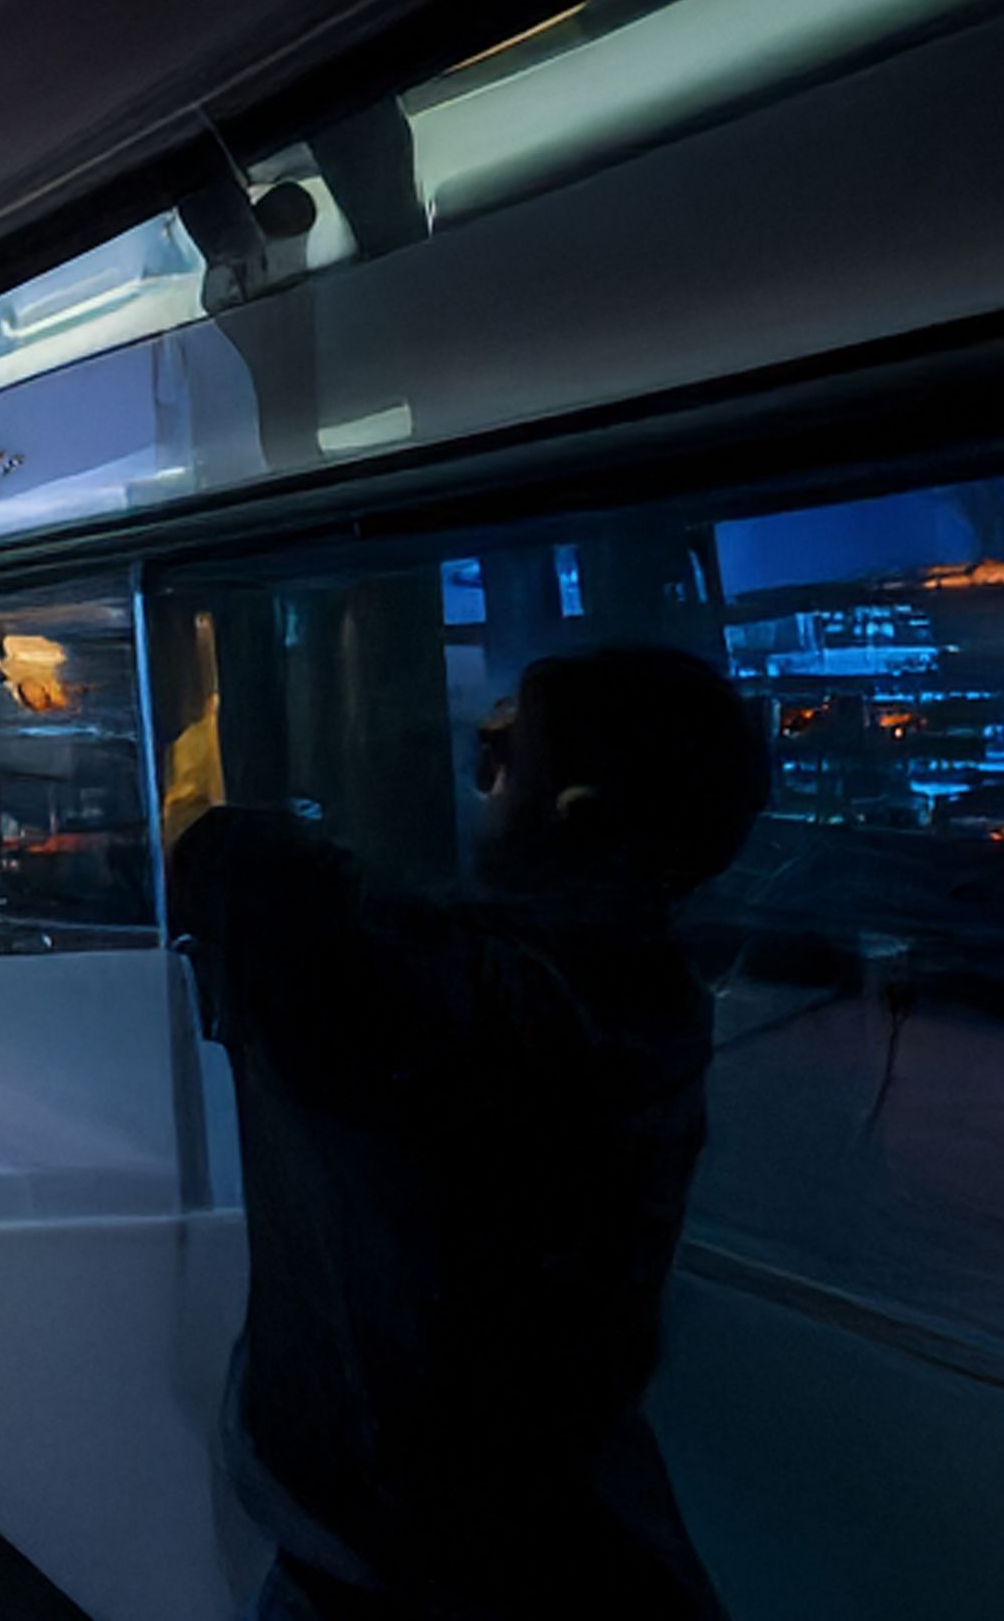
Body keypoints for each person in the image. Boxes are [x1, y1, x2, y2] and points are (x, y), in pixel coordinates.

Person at [170, 645, 771, 1621]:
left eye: (499, 755)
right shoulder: (637, 983)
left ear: (572, 813)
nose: (471, 772)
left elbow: (236, 865)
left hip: (411, 1556)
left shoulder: (506, 1005)